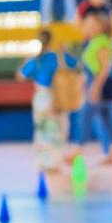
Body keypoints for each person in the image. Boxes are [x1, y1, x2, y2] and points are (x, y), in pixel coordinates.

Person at [17, 28, 79, 173]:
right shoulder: (60, 56)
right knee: (59, 128)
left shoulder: (36, 60)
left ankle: (45, 162)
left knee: (42, 130)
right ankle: (56, 161)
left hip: (41, 98)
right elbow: (77, 65)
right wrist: (66, 51)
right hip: (59, 97)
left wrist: (25, 59)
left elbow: (21, 76)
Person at [75, 10, 112, 165]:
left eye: (92, 24)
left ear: (101, 27)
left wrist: (95, 87)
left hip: (100, 84)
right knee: (107, 119)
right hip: (95, 82)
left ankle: (78, 149)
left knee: (86, 115)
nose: (88, 27)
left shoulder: (101, 42)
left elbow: (104, 68)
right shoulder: (93, 42)